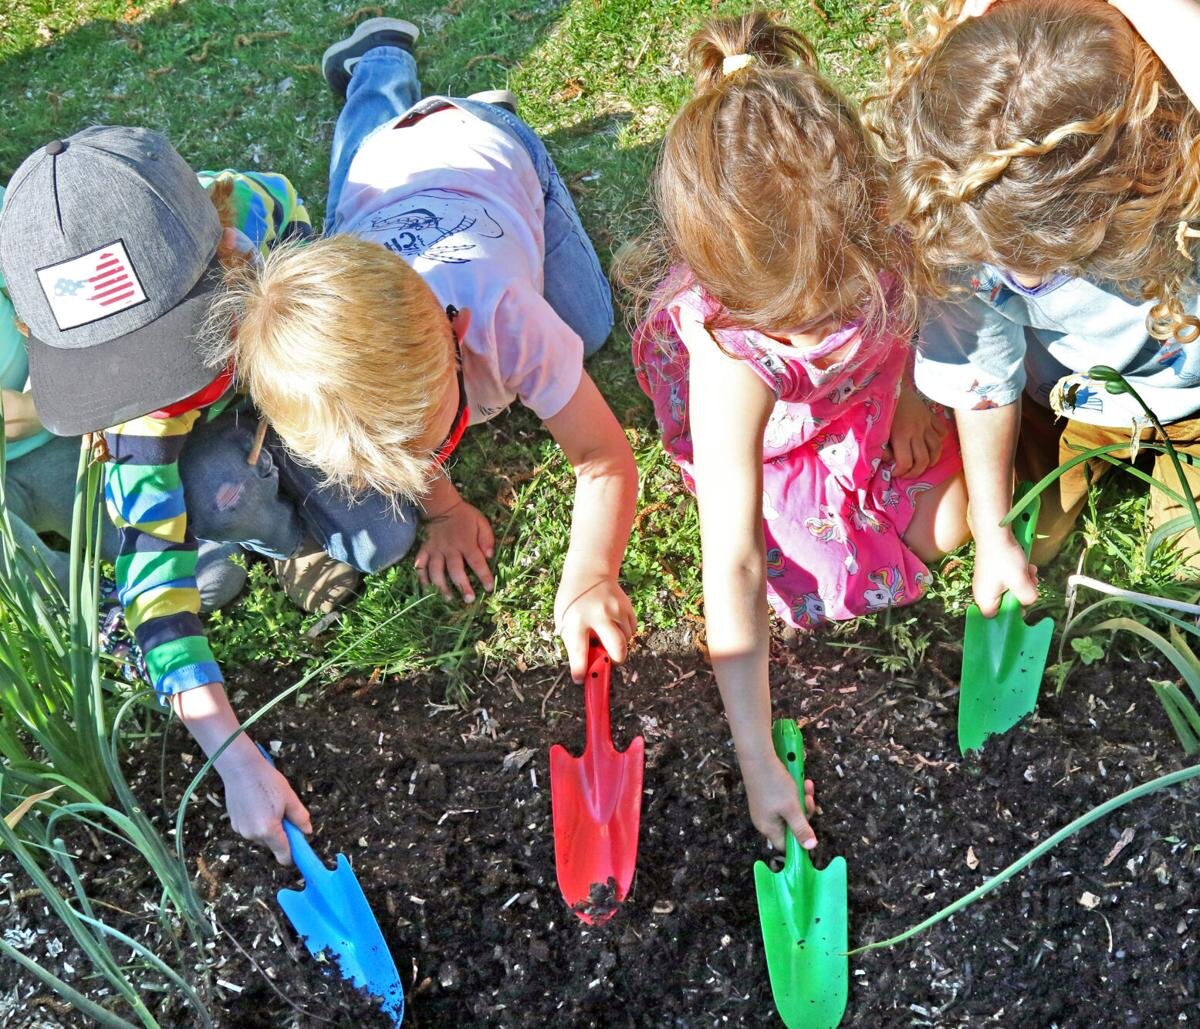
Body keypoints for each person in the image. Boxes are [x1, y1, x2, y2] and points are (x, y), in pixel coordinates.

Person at [0, 130, 414, 864]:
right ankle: (274, 528)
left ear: (223, 246)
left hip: (275, 371)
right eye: (114, 374)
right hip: (217, 424)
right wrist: (234, 757)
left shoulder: (261, 213)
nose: (139, 396)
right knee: (224, 490)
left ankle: (374, 88)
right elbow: (152, 585)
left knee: (382, 535)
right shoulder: (141, 419)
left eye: (154, 358)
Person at [624, 12, 967, 851]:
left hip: (873, 397)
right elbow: (732, 557)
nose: (815, 337)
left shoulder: (885, 220)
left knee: (955, 523)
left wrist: (917, 391)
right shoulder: (729, 354)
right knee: (816, 582)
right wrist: (753, 756)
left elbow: (919, 305)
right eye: (797, 327)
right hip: (778, 438)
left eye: (829, 311)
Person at [212, 18, 639, 679]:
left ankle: (380, 70)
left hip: (489, 154)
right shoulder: (346, 297)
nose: (419, 477)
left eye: (424, 450)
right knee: (359, 186)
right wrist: (442, 509)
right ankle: (391, 111)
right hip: (382, 177)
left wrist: (589, 575)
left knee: (588, 327)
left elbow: (603, 458)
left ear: (457, 332)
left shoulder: (506, 314)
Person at [873, 0, 1200, 616]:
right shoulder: (961, 212)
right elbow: (983, 380)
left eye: (1053, 258)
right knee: (1033, 542)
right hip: (1072, 401)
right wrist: (992, 530)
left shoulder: (1184, 186)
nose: (1021, 280)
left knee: (1181, 571)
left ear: (1151, 172)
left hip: (1195, 407)